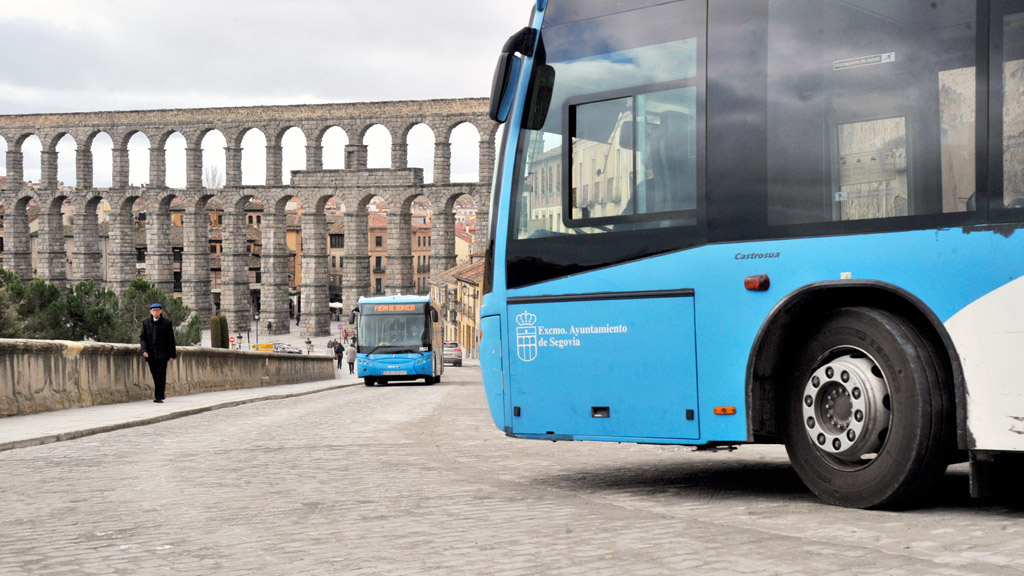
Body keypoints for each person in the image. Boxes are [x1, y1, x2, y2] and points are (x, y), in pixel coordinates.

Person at [139, 303, 177, 403]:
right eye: (153, 310)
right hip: (150, 354)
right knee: (155, 375)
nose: (155, 312)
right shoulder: (145, 323)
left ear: (160, 311)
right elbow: (142, 338)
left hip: (163, 354)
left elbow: (171, 340)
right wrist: (144, 350)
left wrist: (172, 354)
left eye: (157, 310)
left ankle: (158, 396)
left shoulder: (167, 323)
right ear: (150, 312)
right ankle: (160, 394)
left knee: (161, 375)